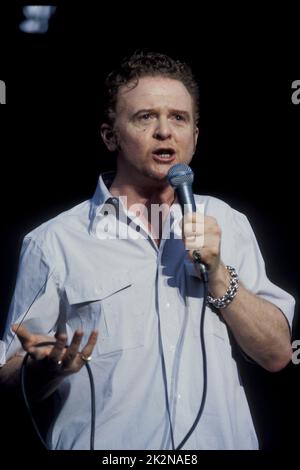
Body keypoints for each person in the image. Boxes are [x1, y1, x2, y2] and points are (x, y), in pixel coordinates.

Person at [0, 50, 295, 450]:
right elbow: (7, 374)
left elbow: (277, 354)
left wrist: (219, 274)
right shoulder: (54, 242)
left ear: (195, 135)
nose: (164, 131)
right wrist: (44, 369)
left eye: (179, 118)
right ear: (110, 135)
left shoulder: (227, 222)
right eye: (145, 117)